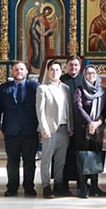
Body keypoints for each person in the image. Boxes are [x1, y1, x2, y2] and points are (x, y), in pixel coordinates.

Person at [0, 61, 39, 198]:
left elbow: (39, 109)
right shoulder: (4, 88)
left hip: (30, 130)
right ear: (12, 72)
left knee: (30, 161)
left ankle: (29, 187)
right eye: (16, 69)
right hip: (11, 130)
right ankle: (12, 187)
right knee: (12, 161)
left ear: (26, 71)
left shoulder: (35, 87)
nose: (19, 72)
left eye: (22, 69)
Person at [36, 59, 74, 198]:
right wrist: (44, 128)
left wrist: (70, 126)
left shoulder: (66, 88)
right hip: (50, 130)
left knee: (60, 160)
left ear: (61, 72)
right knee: (46, 159)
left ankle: (58, 184)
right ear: (48, 71)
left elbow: (68, 108)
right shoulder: (42, 88)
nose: (54, 72)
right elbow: (40, 111)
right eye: (52, 69)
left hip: (64, 129)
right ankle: (46, 185)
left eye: (57, 70)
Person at [73, 65, 106, 198]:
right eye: (88, 73)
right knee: (83, 156)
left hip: (98, 129)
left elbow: (105, 109)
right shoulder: (79, 90)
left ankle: (94, 185)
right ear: (84, 75)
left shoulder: (102, 91)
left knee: (96, 156)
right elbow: (78, 107)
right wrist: (90, 123)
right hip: (83, 129)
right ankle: (83, 186)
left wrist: (97, 122)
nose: (91, 75)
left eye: (93, 73)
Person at [61, 54, 84, 192]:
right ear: (66, 66)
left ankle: (81, 182)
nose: (73, 67)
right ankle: (63, 183)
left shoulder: (84, 80)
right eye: (71, 65)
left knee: (79, 153)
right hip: (65, 123)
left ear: (80, 67)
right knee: (64, 154)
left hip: (81, 124)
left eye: (76, 65)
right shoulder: (61, 81)